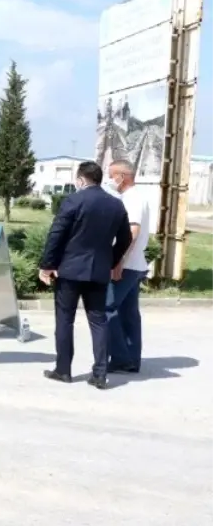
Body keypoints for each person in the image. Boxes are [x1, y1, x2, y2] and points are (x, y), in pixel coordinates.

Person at [38, 160, 132, 389]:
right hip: (99, 271)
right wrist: (111, 260)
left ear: (81, 180)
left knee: (65, 320)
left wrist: (47, 265)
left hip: (70, 270)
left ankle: (63, 370)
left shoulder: (74, 200)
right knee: (98, 321)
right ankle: (100, 373)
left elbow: (56, 234)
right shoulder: (115, 205)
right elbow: (126, 238)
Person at [105, 159, 151, 374]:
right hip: (134, 263)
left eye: (111, 174)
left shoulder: (132, 199)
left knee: (107, 309)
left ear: (122, 176)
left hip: (127, 264)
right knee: (128, 312)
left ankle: (122, 357)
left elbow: (132, 232)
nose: (109, 178)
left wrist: (118, 262)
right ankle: (131, 359)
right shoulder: (131, 197)